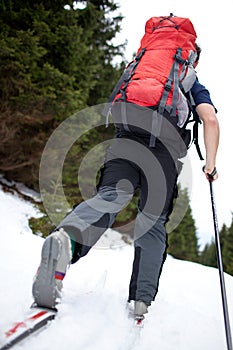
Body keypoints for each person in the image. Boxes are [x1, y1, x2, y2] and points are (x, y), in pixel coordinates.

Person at [32, 17, 219, 320]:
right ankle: (141, 300)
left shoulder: (137, 69)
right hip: (163, 156)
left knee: (110, 198)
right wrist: (210, 164)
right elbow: (209, 120)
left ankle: (66, 239)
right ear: (191, 55)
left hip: (124, 141)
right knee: (152, 222)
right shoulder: (191, 81)